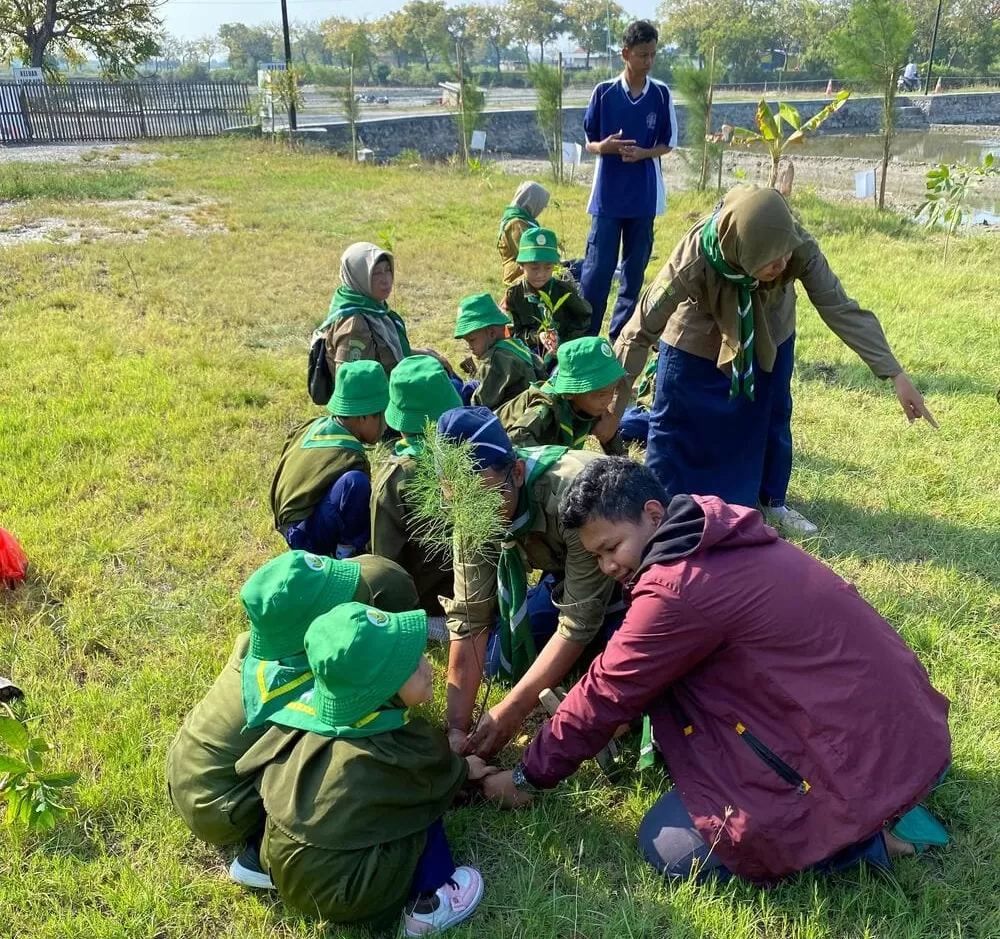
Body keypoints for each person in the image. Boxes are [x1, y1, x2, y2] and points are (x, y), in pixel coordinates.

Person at [485, 457, 952, 884]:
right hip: (905, 730)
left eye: (612, 547)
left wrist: (526, 776)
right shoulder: (709, 528)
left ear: (652, 514)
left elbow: (606, 691)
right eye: (596, 556)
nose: (607, 566)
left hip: (861, 756)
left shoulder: (676, 589)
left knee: (667, 846)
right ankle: (877, 800)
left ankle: (861, 837)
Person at [614, 186, 937, 535]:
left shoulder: (796, 245)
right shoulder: (696, 256)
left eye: (784, 255)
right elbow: (641, 327)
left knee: (772, 411)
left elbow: (840, 307)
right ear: (743, 247)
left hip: (769, 328)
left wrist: (895, 373)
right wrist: (615, 401)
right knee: (675, 418)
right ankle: (664, 506)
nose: (781, 264)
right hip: (698, 332)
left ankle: (771, 500)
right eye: (769, 258)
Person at [165, 549, 420, 889]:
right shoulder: (300, 688)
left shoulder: (260, 647)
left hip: (185, 774)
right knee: (336, 761)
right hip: (221, 807)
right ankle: (262, 855)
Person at [235, 602, 489, 934]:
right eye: (412, 667)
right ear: (380, 690)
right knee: (422, 804)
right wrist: (466, 767)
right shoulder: (408, 745)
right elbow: (444, 779)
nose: (428, 667)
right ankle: (431, 901)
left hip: (280, 865)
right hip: (348, 894)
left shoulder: (307, 718)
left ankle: (251, 860)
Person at [435, 407, 619, 758]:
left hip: (632, 573)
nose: (475, 515)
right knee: (498, 663)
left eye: (485, 499)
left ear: (517, 473)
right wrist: (456, 728)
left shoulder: (574, 496)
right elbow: (470, 617)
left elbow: (579, 621)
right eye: (459, 503)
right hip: (567, 574)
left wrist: (513, 711)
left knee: (618, 674)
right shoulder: (471, 511)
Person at [580, 20, 677, 342]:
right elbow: (589, 141)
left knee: (633, 274)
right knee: (597, 271)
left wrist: (644, 153)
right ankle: (586, 337)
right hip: (608, 198)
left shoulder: (661, 95)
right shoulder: (604, 93)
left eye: (652, 55)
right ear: (625, 54)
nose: (647, 62)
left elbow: (668, 143)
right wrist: (604, 148)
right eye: (641, 55)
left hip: (643, 198)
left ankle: (620, 338)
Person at [371, 355, 462, 617]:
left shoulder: (397, 477)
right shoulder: (472, 452)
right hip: (480, 588)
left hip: (426, 602)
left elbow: (385, 560)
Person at [270, 360, 388, 558]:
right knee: (355, 484)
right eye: (383, 417)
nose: (385, 427)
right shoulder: (351, 456)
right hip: (305, 536)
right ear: (365, 417)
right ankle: (346, 555)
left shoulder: (310, 426)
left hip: (288, 524)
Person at [319, 242, 453, 391]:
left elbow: (381, 352)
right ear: (359, 277)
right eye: (376, 273)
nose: (386, 279)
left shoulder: (374, 308)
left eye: (387, 270)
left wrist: (423, 354)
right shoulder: (354, 325)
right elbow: (348, 385)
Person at [497, 336, 628, 455]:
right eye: (600, 395)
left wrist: (611, 437)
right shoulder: (546, 405)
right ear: (570, 393)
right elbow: (517, 438)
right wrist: (556, 461)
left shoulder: (589, 406)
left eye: (613, 391)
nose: (607, 401)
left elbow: (620, 458)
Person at [501, 227, 591, 364]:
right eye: (534, 268)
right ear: (521, 265)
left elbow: (583, 319)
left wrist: (563, 341)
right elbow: (512, 333)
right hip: (529, 354)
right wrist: (538, 337)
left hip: (565, 352)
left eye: (548, 267)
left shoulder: (564, 290)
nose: (541, 274)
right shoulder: (514, 295)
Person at [454, 293, 547, 412]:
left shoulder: (495, 359)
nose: (469, 346)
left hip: (513, 417)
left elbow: (481, 402)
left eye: (472, 340)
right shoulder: (516, 345)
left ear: (491, 333)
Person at [498, 180, 550, 287]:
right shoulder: (516, 223)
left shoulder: (525, 220)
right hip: (518, 276)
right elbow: (530, 254)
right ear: (533, 202)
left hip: (533, 272)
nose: (541, 209)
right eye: (542, 205)